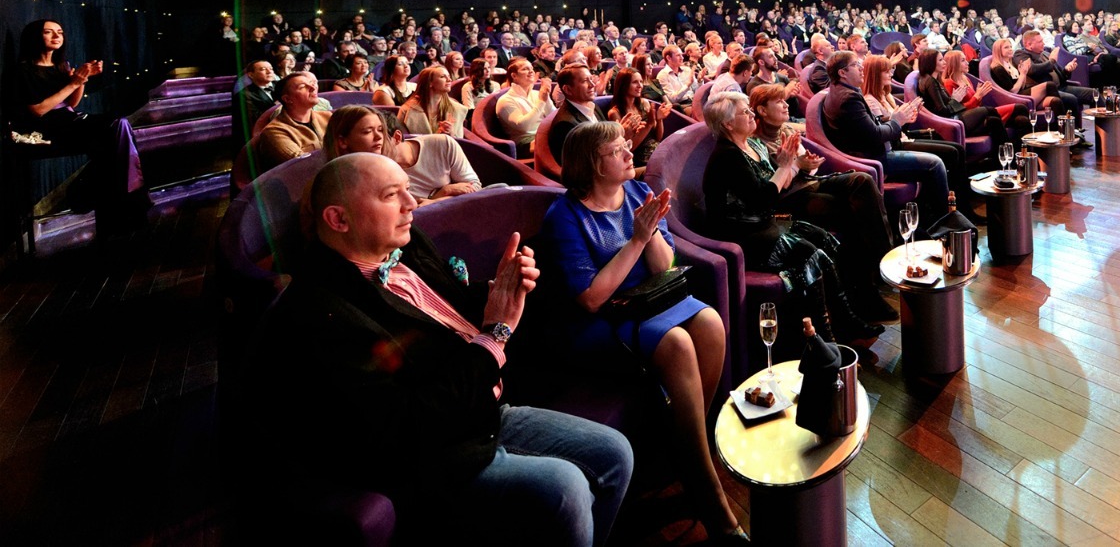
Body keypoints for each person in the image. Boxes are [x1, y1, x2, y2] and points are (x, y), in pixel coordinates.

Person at [246, 152, 633, 542]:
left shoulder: (407, 247)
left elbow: (453, 310)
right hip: (428, 455)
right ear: (339, 219)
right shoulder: (319, 312)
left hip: (479, 411)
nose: (412, 203)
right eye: (391, 195)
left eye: (407, 189)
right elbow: (407, 428)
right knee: (564, 488)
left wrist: (501, 289)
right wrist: (495, 333)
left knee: (615, 452)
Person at [543, 122, 747, 545]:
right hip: (600, 323)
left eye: (624, 145)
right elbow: (590, 299)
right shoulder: (565, 215)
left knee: (709, 322)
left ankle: (685, 449)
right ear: (592, 166)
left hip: (650, 302)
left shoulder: (637, 194)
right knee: (676, 343)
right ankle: (707, 493)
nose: (627, 152)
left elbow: (665, 269)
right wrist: (635, 239)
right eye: (616, 150)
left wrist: (651, 231)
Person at [702, 92, 893, 337]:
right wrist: (786, 166)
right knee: (809, 253)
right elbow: (764, 199)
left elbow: (775, 184)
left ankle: (847, 317)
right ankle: (823, 336)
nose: (751, 115)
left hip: (763, 222)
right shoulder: (727, 155)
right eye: (745, 112)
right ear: (728, 124)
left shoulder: (752, 144)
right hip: (741, 235)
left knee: (823, 238)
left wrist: (788, 165)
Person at [3, 18, 149, 232]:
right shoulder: (22, 71)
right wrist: (73, 82)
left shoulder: (61, 66)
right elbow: (39, 110)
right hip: (46, 128)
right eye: (49, 32)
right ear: (35, 37)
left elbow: (71, 103)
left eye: (60, 32)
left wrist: (82, 78)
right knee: (117, 128)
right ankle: (128, 196)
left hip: (69, 120)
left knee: (119, 127)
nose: (57, 36)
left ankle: (110, 199)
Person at [819, 50, 949, 236]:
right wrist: (896, 121)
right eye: (856, 65)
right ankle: (944, 225)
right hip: (873, 159)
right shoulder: (848, 98)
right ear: (842, 72)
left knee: (939, 156)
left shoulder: (844, 92)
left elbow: (872, 127)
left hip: (876, 152)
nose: (861, 67)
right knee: (935, 164)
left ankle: (926, 224)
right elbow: (876, 135)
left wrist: (895, 120)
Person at [856, 58, 977, 219]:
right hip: (897, 145)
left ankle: (960, 206)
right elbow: (886, 135)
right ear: (875, 75)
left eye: (891, 69)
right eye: (886, 71)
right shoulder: (870, 101)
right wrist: (901, 120)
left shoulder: (885, 95)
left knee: (957, 150)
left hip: (902, 139)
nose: (891, 73)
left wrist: (907, 119)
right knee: (950, 154)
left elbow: (897, 127)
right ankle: (948, 214)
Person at [325, 105, 479, 204]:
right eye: (367, 132)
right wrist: (441, 195)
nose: (378, 137)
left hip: (463, 213)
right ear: (343, 141)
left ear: (397, 137)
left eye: (381, 130)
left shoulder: (442, 143)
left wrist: (437, 200)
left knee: (501, 188)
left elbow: (474, 189)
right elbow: (408, 212)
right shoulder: (374, 171)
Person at [607, 67, 669, 171]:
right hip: (639, 158)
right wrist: (648, 125)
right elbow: (627, 149)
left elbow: (657, 138)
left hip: (657, 150)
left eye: (641, 81)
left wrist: (659, 120)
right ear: (624, 85)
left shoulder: (644, 103)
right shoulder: (615, 113)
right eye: (635, 82)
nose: (640, 86)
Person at [496, 56, 556, 158]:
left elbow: (553, 117)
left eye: (531, 69)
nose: (531, 71)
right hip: (525, 143)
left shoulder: (537, 93)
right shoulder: (506, 100)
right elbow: (524, 127)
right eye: (525, 69)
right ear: (514, 76)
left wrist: (546, 98)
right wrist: (541, 101)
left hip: (545, 135)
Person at [547, 65, 600, 166]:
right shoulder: (565, 124)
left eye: (591, 79)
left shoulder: (593, 106)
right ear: (567, 89)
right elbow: (583, 164)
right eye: (585, 81)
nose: (592, 84)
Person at [398, 66, 469, 138]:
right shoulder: (407, 110)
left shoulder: (457, 109)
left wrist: (451, 134)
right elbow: (402, 140)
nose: (449, 80)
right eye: (443, 77)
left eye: (449, 76)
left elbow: (460, 142)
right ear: (430, 83)